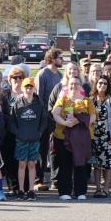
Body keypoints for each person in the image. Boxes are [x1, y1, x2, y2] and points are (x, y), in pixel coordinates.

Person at [51, 68, 94, 200]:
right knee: (65, 165)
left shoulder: (86, 101)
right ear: (67, 86)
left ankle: (80, 191)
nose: (73, 86)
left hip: (81, 139)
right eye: (71, 84)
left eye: (76, 84)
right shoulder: (63, 100)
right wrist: (65, 122)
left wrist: (79, 121)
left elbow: (93, 117)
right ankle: (65, 191)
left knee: (80, 165)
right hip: (63, 137)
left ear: (80, 86)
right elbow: (55, 113)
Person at [8, 77, 47, 200]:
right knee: (21, 164)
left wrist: (39, 132)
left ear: (34, 88)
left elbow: (44, 120)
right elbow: (11, 121)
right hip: (21, 139)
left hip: (34, 138)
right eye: (26, 87)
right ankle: (20, 190)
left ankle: (31, 190)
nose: (28, 89)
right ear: (23, 88)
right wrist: (17, 132)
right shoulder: (17, 103)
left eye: (31, 87)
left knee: (32, 164)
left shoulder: (38, 103)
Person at [86, 75, 111, 198]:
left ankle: (106, 188)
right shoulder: (90, 100)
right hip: (94, 136)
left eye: (105, 83)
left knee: (108, 164)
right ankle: (97, 188)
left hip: (108, 136)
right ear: (96, 84)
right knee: (96, 164)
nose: (102, 85)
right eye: (100, 83)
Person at [36, 49, 64, 189]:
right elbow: (39, 98)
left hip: (57, 118)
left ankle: (56, 179)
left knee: (55, 149)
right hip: (44, 118)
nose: (62, 60)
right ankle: (39, 180)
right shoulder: (42, 74)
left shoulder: (60, 75)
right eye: (60, 57)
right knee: (42, 149)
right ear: (52, 59)